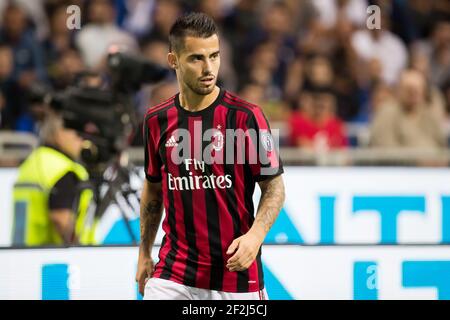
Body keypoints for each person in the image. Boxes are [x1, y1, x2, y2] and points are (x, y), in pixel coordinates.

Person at [136, 13, 285, 300]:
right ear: (173, 61)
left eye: (214, 56)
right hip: (173, 274)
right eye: (196, 58)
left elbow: (275, 187)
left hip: (235, 278)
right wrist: (144, 253)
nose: (209, 68)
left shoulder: (247, 117)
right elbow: (153, 188)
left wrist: (255, 237)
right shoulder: (156, 120)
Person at [12, 112, 96, 246]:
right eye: (77, 133)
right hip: (53, 257)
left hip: (21, 253)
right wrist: (79, 249)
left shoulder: (33, 162)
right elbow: (61, 219)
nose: (82, 140)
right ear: (59, 133)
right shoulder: (62, 169)